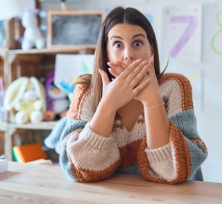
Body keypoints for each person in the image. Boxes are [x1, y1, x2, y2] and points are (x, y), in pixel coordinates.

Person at [59, 6, 208, 184]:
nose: (128, 55)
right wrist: (108, 104)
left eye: (137, 43)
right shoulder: (86, 92)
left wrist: (152, 100)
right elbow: (79, 170)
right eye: (118, 44)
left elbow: (171, 171)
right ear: (106, 51)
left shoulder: (174, 86)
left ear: (151, 50)